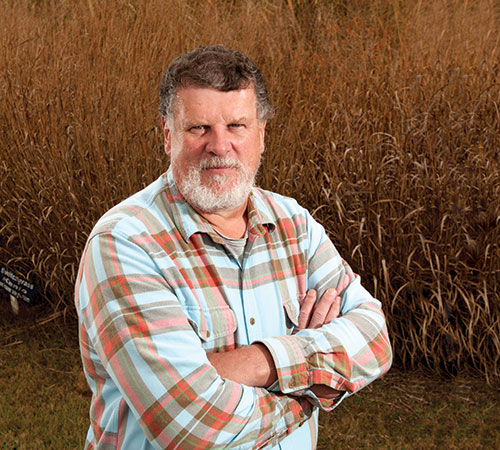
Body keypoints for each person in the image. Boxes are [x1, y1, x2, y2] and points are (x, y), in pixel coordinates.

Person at [75, 45, 392, 450]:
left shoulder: (295, 225)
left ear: (261, 134)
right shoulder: (125, 244)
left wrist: (261, 362)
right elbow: (189, 425)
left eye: (237, 126)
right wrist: (312, 390)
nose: (220, 146)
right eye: (198, 128)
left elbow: (375, 337)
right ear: (168, 135)